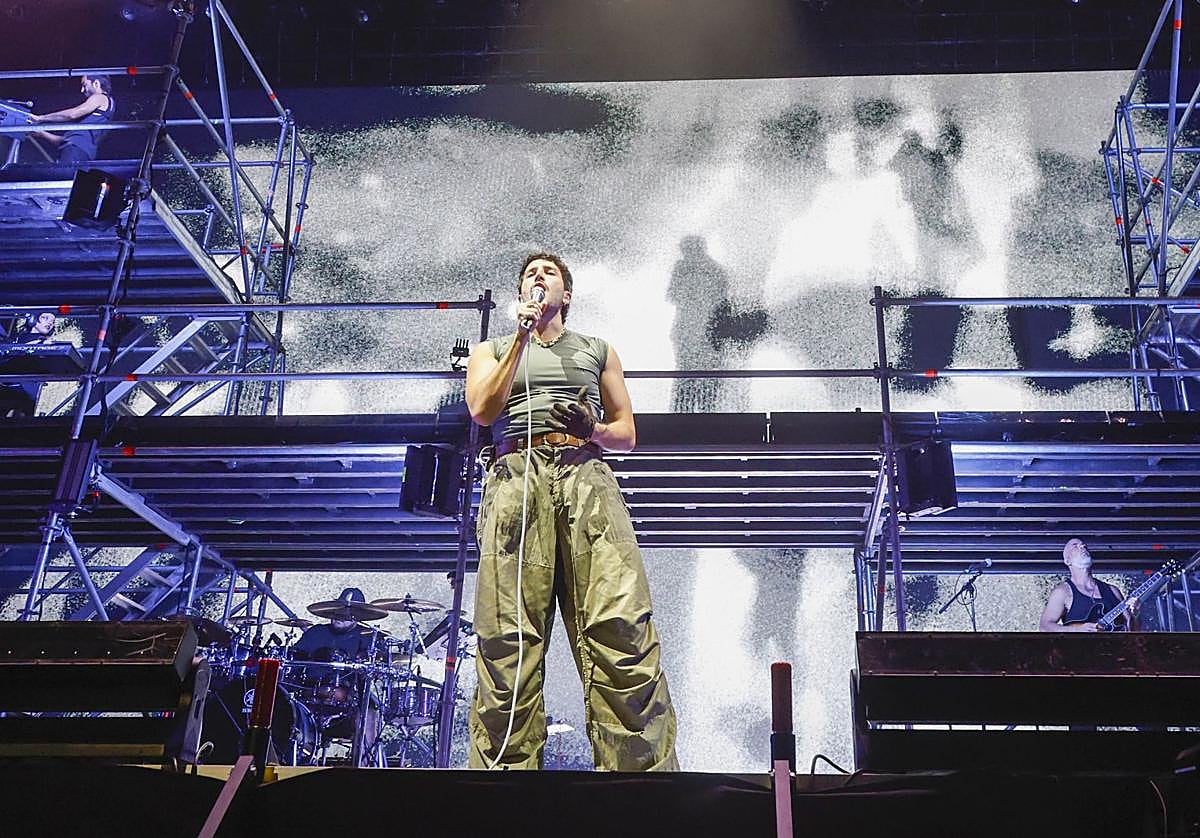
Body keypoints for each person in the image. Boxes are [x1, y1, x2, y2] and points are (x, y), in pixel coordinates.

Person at [464, 251, 679, 771]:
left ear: (567, 294)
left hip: (586, 476)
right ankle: (503, 796)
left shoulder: (597, 349)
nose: (538, 279)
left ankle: (644, 793)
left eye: (549, 274)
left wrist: (593, 430)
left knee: (621, 628)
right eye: (529, 275)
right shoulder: (491, 348)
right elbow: (482, 410)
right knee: (507, 642)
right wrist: (520, 336)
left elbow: (626, 433)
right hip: (517, 480)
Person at [1039, 538, 1137, 632]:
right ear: (1067, 561)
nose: (1082, 547)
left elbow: (1133, 631)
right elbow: (1045, 627)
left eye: (1084, 546)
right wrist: (1077, 630)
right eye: (1075, 546)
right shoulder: (1063, 592)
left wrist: (1135, 614)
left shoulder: (1113, 590)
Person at [29, 74, 114, 164]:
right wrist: (42, 133)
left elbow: (72, 114)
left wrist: (41, 118)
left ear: (96, 83)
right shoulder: (89, 128)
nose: (82, 90)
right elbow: (63, 140)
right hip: (84, 153)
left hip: (75, 151)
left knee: (63, 176)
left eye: (84, 85)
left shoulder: (100, 97)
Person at [1, 310, 57, 417]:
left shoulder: (45, 342)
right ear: (34, 318)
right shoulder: (18, 338)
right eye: (45, 318)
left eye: (53, 321)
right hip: (5, 384)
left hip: (22, 389)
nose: (50, 323)